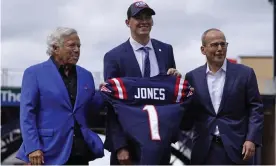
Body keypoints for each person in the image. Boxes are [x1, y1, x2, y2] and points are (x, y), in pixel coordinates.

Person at [103, 1, 181, 165]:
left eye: (148, 17)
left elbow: (170, 96)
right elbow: (112, 105)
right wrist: (120, 146)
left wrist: (175, 79)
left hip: (159, 141)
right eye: (138, 17)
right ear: (127, 22)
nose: (144, 21)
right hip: (129, 146)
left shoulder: (166, 50)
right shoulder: (113, 57)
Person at [16, 27, 104, 165]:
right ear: (55, 48)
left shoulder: (86, 76)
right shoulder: (34, 73)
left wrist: (103, 94)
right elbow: (27, 114)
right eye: (71, 45)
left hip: (80, 151)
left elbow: (89, 112)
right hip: (47, 152)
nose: (77, 50)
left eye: (79, 46)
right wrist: (33, 147)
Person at [184, 28, 264, 165]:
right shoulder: (192, 77)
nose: (220, 48)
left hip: (238, 150)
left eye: (223, 44)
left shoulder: (245, 74)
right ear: (203, 50)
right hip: (204, 150)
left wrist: (251, 139)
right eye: (215, 45)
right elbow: (187, 112)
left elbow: (256, 108)